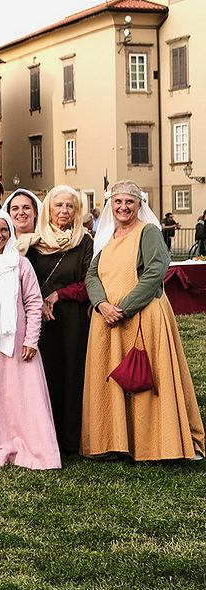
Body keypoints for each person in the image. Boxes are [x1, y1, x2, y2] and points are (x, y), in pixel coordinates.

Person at [83, 181, 205, 461]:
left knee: (149, 380)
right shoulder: (107, 237)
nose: (123, 207)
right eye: (118, 202)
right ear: (110, 206)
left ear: (140, 205)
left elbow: (155, 272)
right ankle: (114, 442)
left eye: (129, 202)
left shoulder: (148, 232)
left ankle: (155, 443)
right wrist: (102, 304)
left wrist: (122, 308)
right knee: (113, 381)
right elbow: (92, 275)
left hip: (142, 315)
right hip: (108, 318)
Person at [0, 212, 61, 470]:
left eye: (4, 230)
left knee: (19, 396)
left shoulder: (20, 264)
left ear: (10, 233)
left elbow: (33, 303)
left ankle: (26, 445)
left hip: (15, 343)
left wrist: (31, 340)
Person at [17, 186, 93, 454]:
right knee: (45, 376)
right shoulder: (34, 244)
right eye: (58, 205)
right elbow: (25, 282)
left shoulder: (85, 242)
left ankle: (71, 440)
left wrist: (57, 295)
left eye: (70, 206)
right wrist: (42, 300)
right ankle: (47, 437)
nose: (64, 211)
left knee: (73, 375)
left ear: (77, 211)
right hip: (41, 319)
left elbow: (89, 283)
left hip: (73, 318)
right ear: (48, 208)